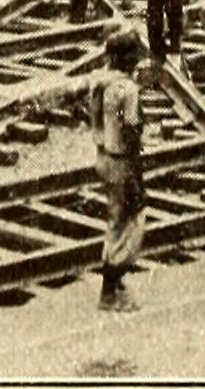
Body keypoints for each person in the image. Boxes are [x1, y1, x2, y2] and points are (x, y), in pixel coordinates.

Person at [90, 29, 148, 309]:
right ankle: (110, 290)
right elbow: (131, 128)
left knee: (115, 218)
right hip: (121, 159)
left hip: (102, 155)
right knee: (129, 224)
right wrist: (136, 169)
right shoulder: (127, 90)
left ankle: (114, 283)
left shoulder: (99, 82)